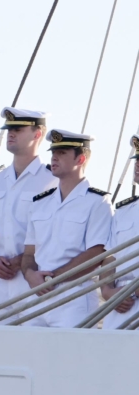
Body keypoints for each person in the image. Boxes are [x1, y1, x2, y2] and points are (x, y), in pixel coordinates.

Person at [22, 130, 111, 328]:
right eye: (54, 152)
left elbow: (97, 253)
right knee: (29, 357)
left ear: (80, 159)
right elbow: (29, 252)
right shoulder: (39, 203)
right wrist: (30, 274)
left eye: (62, 153)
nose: (54, 157)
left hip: (74, 297)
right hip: (37, 295)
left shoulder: (97, 202)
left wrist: (55, 277)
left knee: (69, 358)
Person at [0, 108, 57, 324]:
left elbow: (56, 235)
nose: (10, 133)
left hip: (35, 279)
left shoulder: (52, 180)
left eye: (18, 129)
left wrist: (22, 261)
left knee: (34, 348)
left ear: (37, 134)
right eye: (9, 129)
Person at [102, 135, 139, 333]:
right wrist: (107, 291)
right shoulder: (124, 211)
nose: (137, 165)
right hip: (119, 303)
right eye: (137, 160)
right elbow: (109, 257)